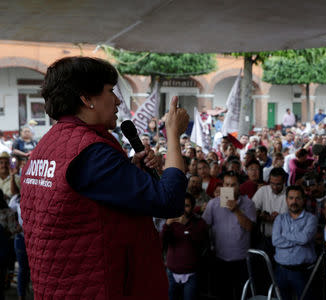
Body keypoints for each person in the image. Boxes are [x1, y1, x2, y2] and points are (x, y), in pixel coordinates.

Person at [20, 57, 189, 299]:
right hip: (101, 287)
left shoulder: (46, 147)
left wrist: (130, 171)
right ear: (86, 99)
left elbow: (81, 205)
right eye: (110, 91)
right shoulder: (90, 152)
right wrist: (172, 134)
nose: (118, 100)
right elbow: (169, 201)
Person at [202, 171, 256, 300]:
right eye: (227, 184)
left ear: (239, 186)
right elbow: (204, 227)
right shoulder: (214, 203)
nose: (230, 188)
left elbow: (249, 228)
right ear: (222, 186)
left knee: (241, 294)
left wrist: (236, 210)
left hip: (241, 259)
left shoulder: (248, 204)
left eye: (233, 185)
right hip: (220, 258)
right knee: (222, 293)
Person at [160, 193, 209, 300]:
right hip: (171, 272)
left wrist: (186, 229)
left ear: (192, 207)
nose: (183, 209)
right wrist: (167, 225)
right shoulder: (171, 222)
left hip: (191, 274)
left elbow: (201, 242)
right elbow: (161, 242)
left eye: (186, 206)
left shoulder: (199, 222)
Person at [272, 185, 318, 300]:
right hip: (281, 270)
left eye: (298, 198)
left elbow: (304, 239)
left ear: (303, 200)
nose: (294, 201)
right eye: (291, 198)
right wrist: (298, 240)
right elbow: (276, 240)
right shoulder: (280, 219)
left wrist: (286, 235)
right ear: (286, 200)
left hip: (303, 272)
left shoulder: (311, 219)